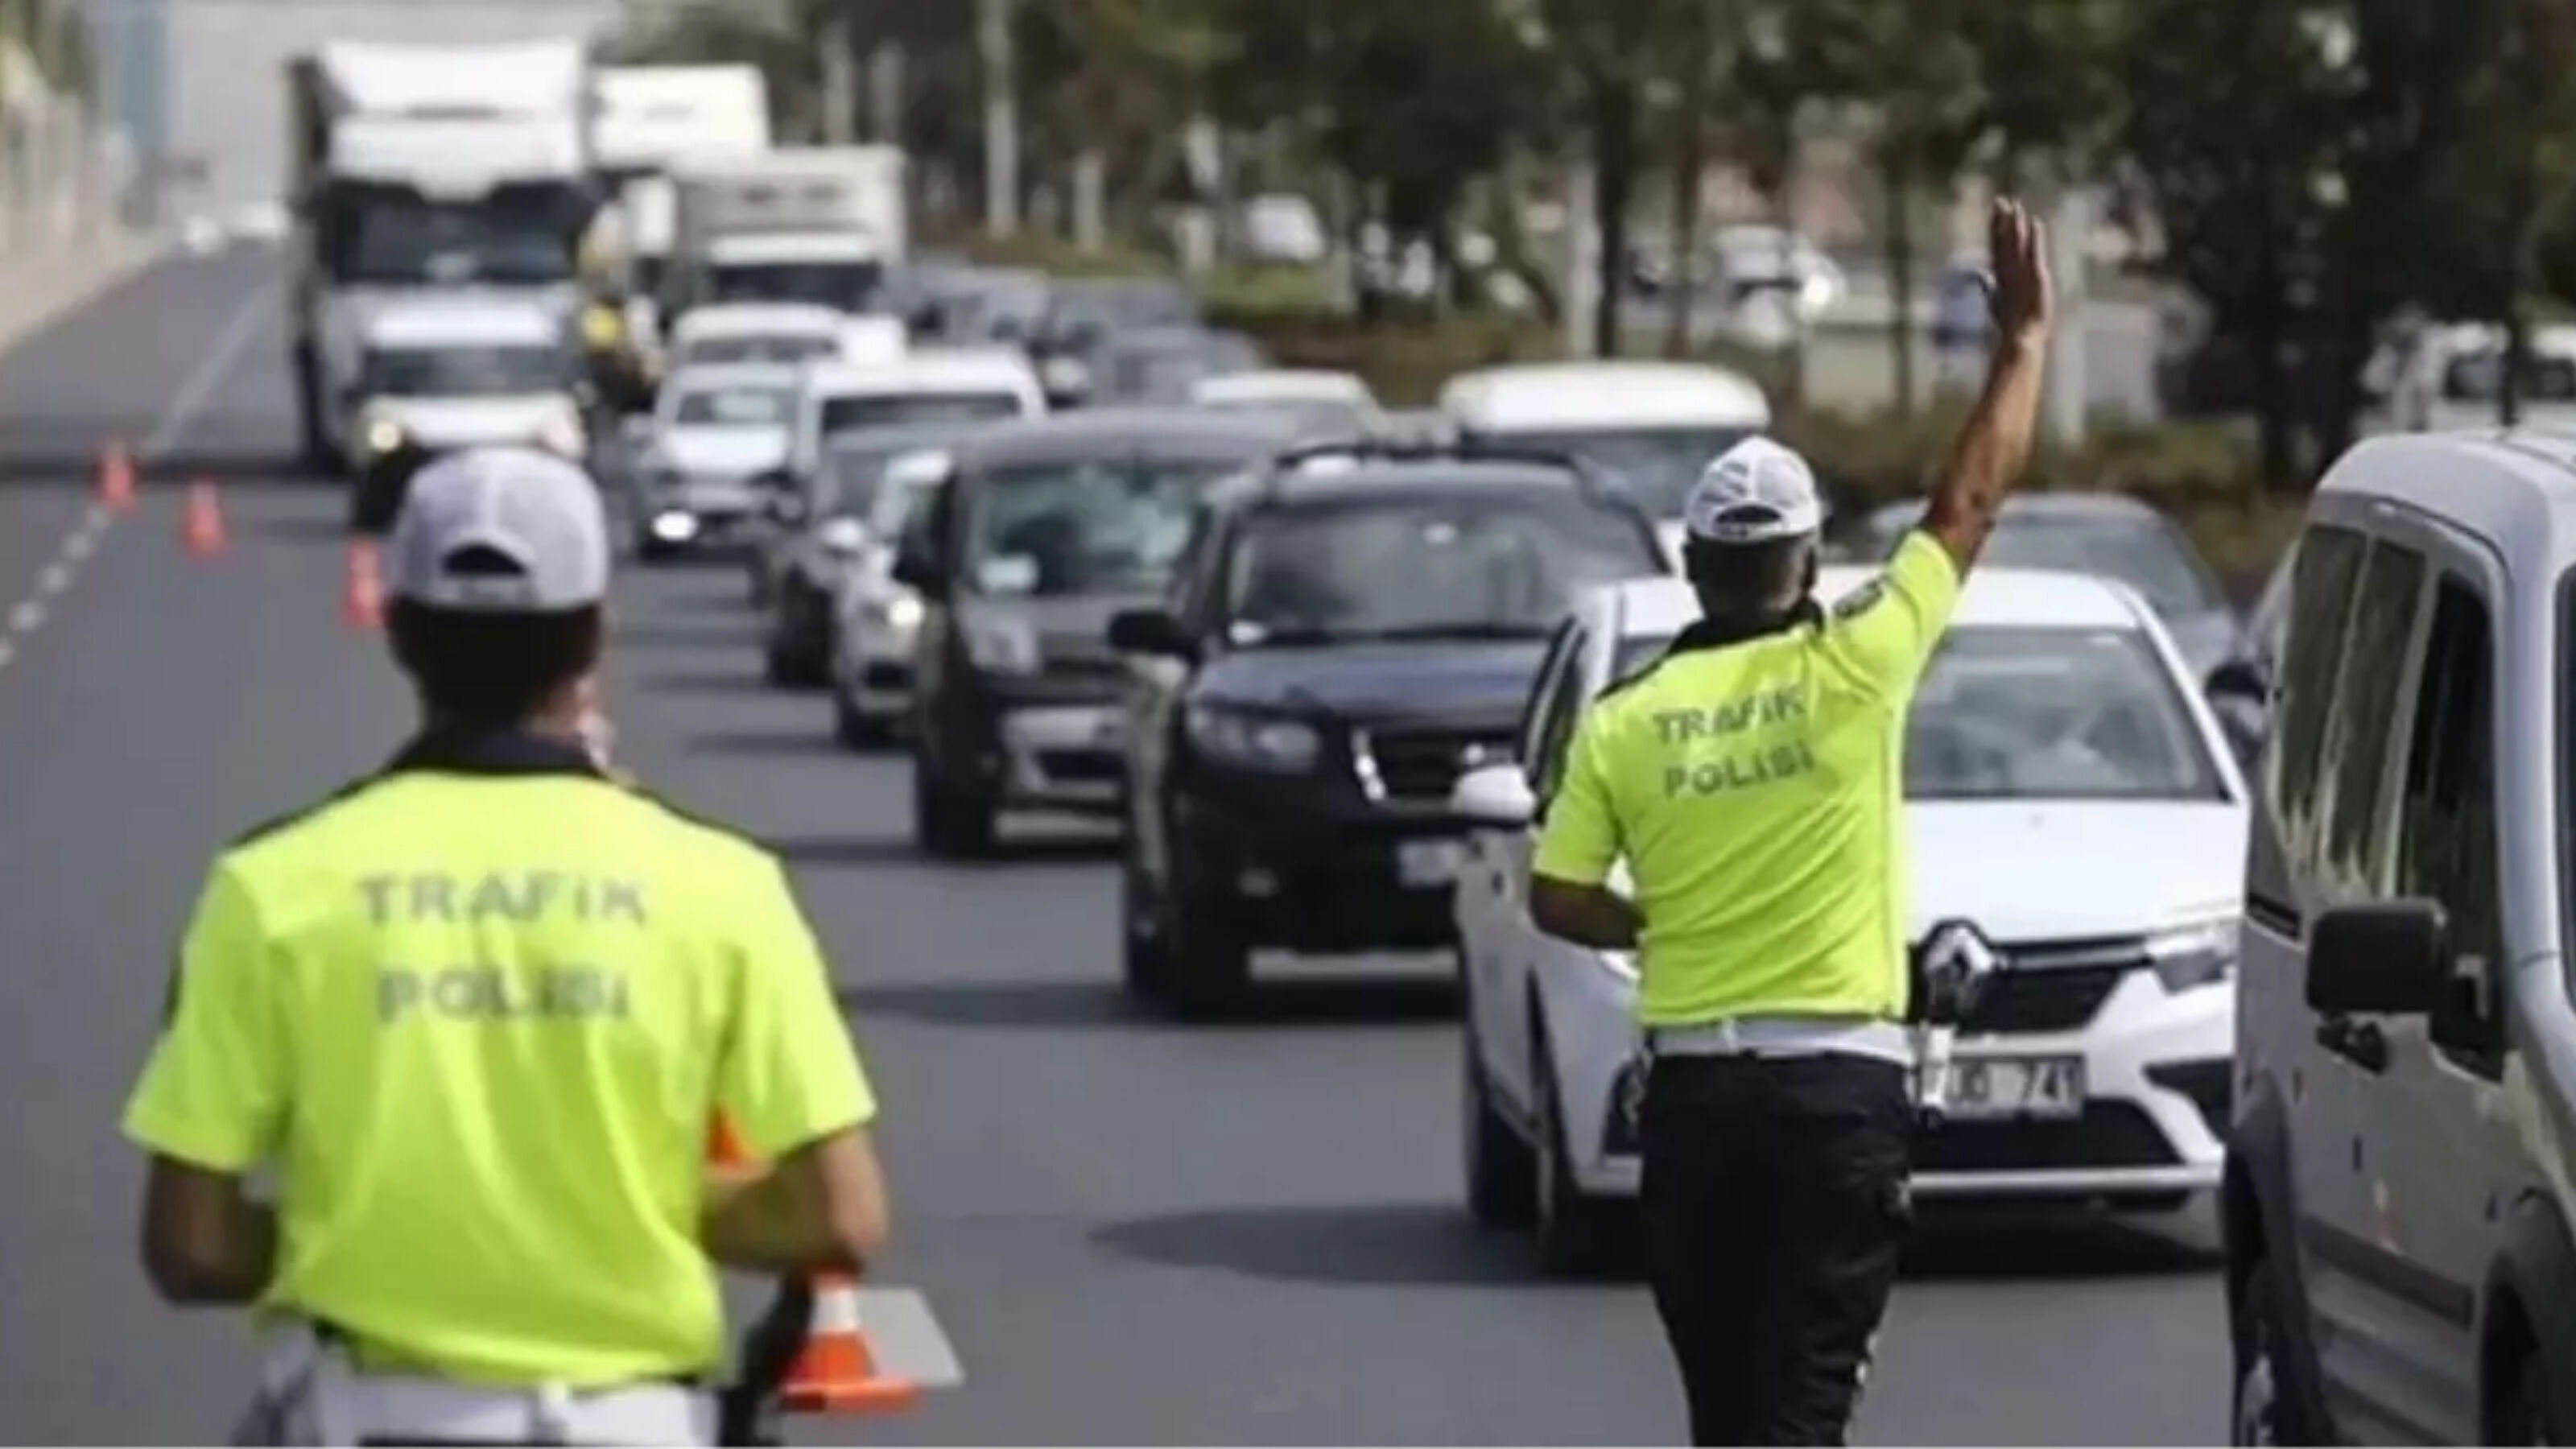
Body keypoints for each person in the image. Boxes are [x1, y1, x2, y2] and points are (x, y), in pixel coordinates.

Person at [120, 446, 890, 1446]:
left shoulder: (269, 890)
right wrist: (622, 1209)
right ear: (595, 635)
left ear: (397, 630)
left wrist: (371, 1232)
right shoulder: (722, 888)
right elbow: (842, 1217)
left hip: (367, 1420)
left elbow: (190, 1246)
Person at [1525, 197, 2054, 1446]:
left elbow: (1555, 894)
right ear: (1807, 566)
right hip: (1839, 1099)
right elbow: (1968, 504)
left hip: (1698, 1108)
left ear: (1695, 567)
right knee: (1802, 1411)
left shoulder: (1627, 716)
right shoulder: (1862, 662)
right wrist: (2023, 348)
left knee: (1728, 1416)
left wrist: (1655, 918)